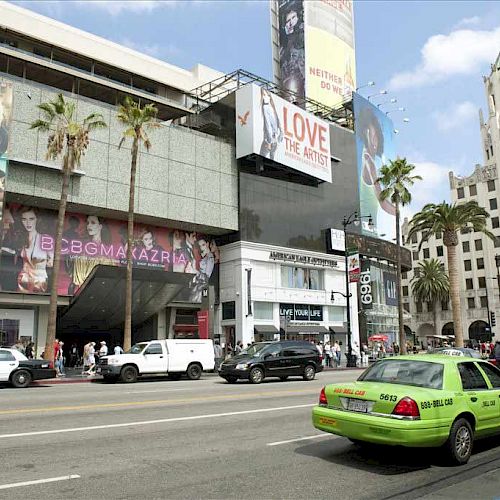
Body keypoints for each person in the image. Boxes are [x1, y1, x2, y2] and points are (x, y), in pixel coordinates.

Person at [17, 207, 54, 293]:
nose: (28, 223)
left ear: (37, 219)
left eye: (31, 219)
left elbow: (51, 262)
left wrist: (45, 263)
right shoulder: (21, 239)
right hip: (23, 280)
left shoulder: (45, 239)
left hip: (39, 282)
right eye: (24, 219)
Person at [259, 88, 282, 160]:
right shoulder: (266, 107)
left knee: (269, 157)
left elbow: (272, 124)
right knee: (267, 157)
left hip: (271, 141)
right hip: (270, 140)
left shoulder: (272, 110)